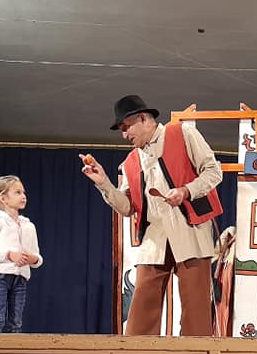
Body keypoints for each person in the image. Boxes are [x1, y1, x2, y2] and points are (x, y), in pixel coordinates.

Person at [79, 95, 223, 336]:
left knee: (195, 311)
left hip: (189, 229)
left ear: (143, 119)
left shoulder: (182, 134)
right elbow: (127, 207)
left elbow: (213, 172)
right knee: (141, 311)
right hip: (155, 236)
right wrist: (103, 183)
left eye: (126, 127)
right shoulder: (131, 161)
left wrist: (186, 191)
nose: (124, 135)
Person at [0, 175, 43, 333]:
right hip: (0, 275)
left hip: (21, 278)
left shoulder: (28, 226)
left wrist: (33, 259)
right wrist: (9, 254)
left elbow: (37, 256)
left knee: (16, 321)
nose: (23, 196)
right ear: (3, 198)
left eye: (24, 192)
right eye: (18, 192)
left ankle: (12, 348)